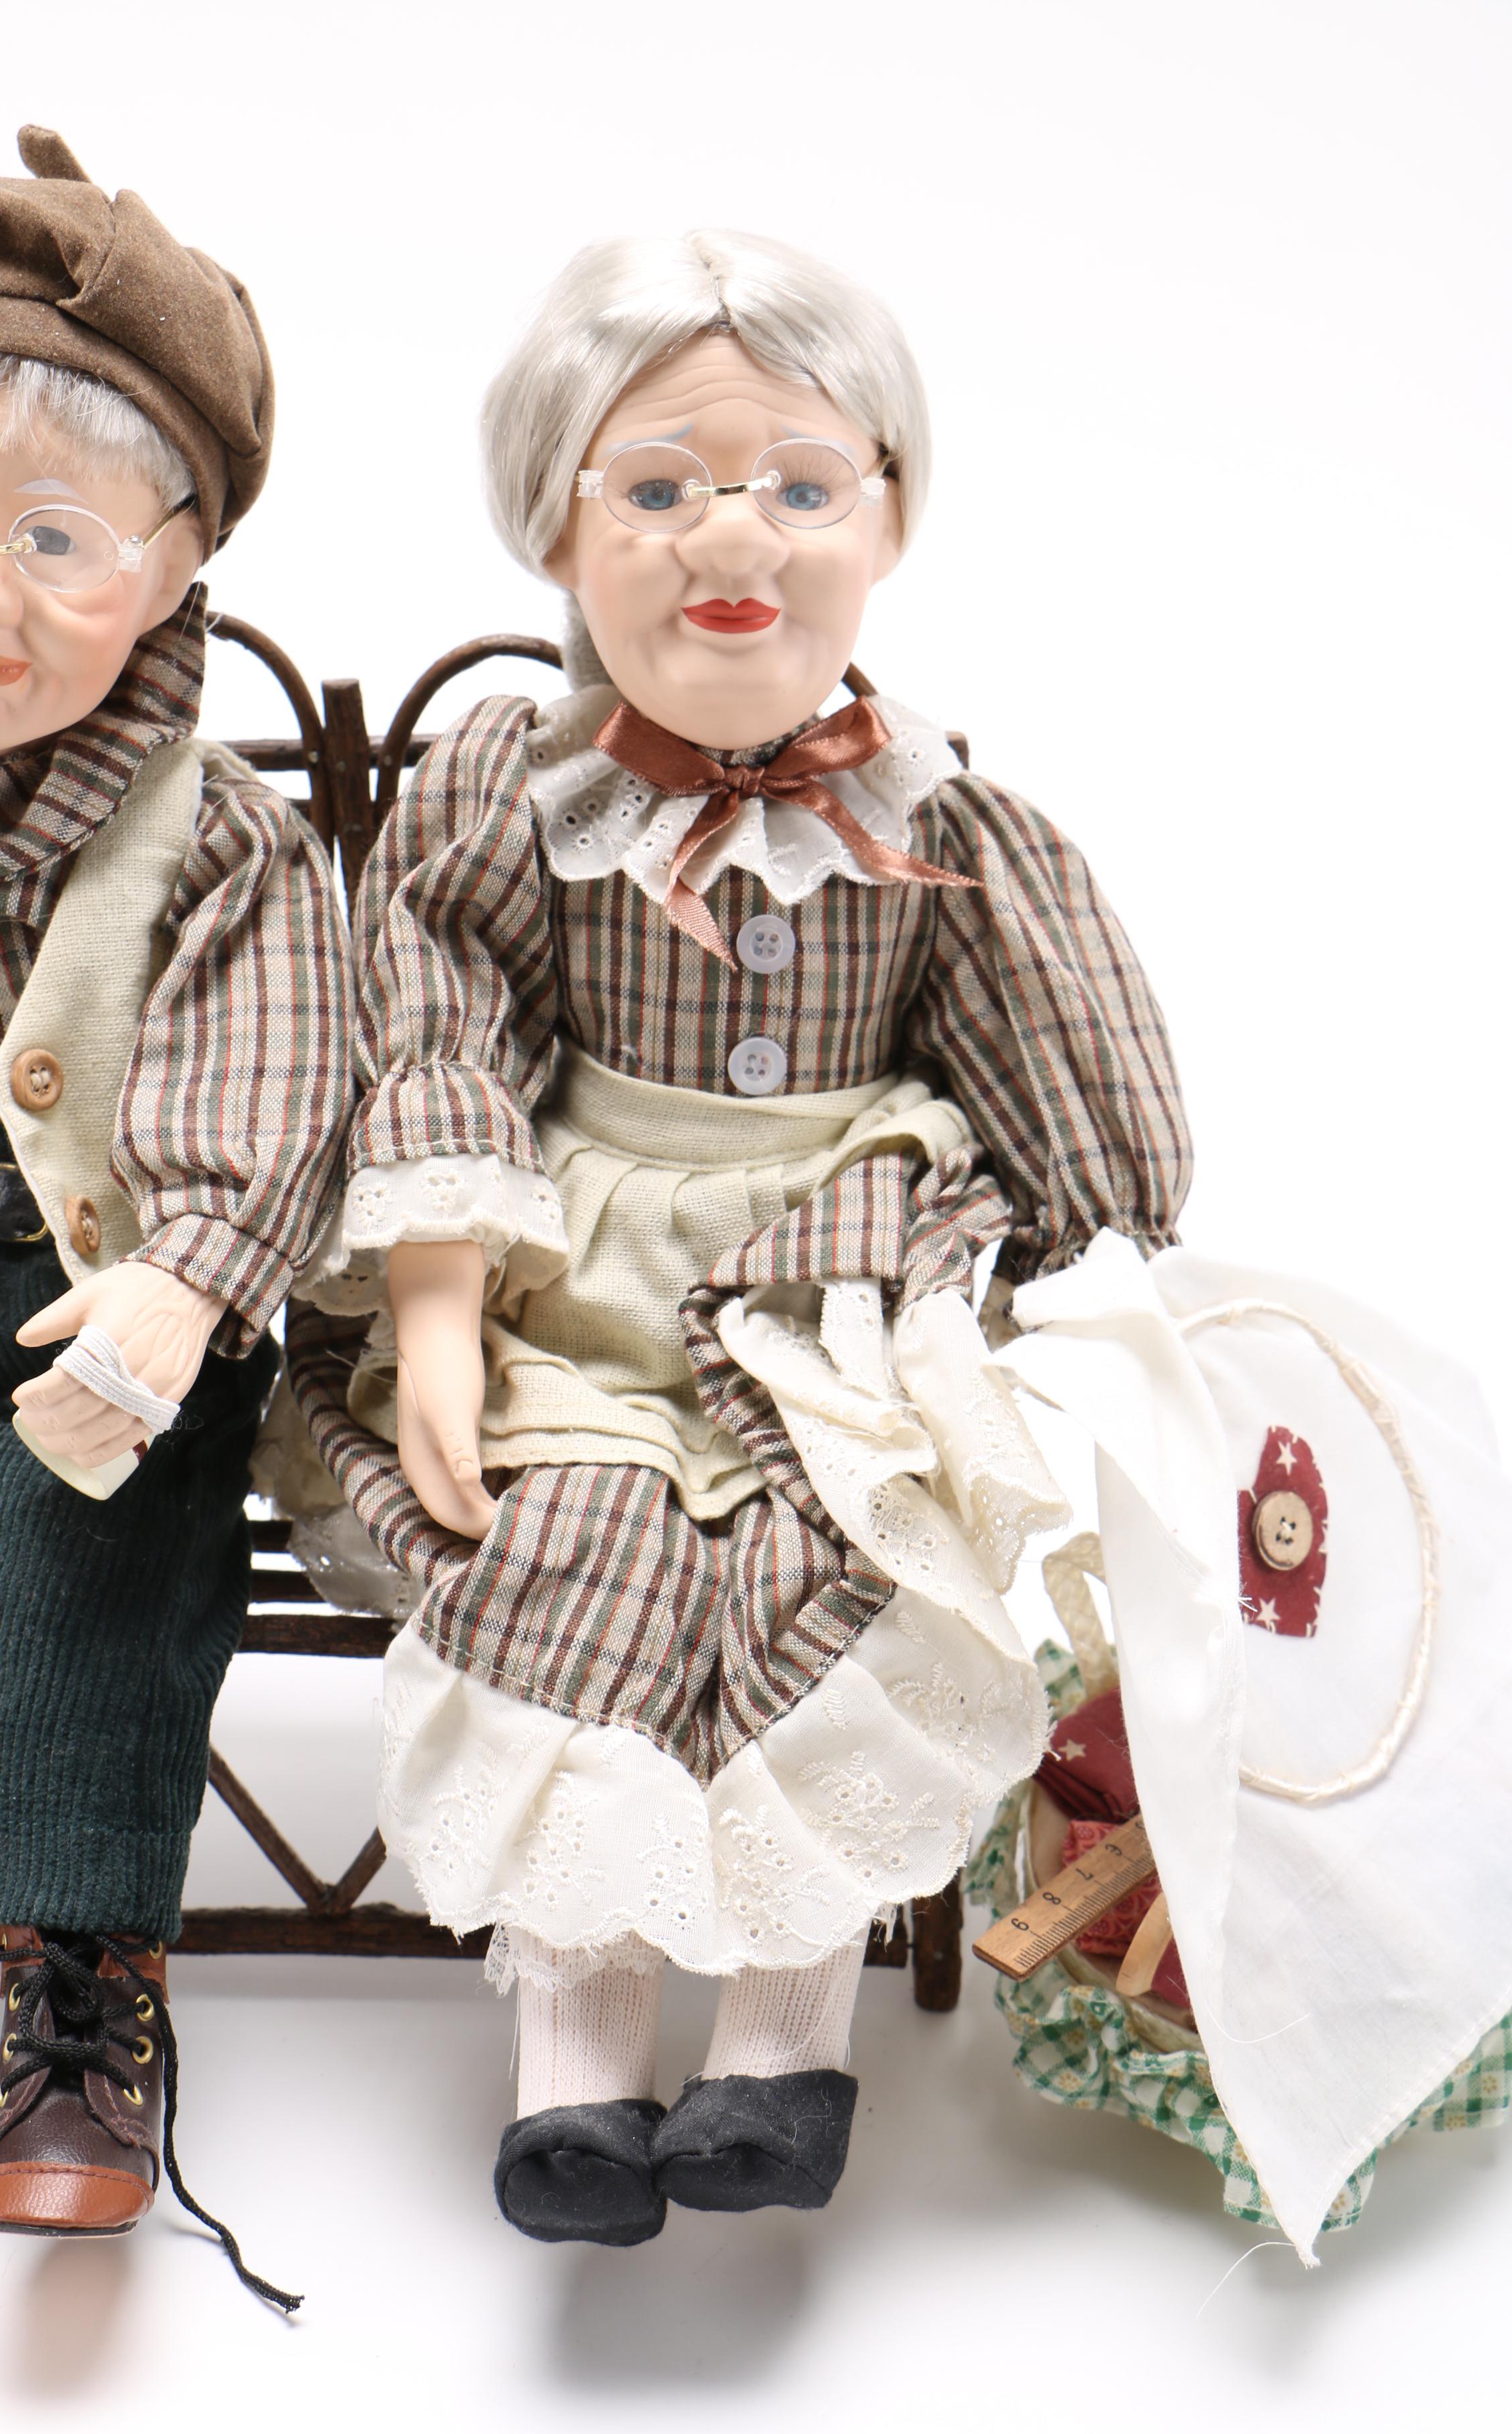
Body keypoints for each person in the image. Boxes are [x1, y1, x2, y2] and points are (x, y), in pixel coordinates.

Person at [289, 230, 1190, 2245]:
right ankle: (579, 2081)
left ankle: (785, 2052)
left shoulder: (941, 821)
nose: (737, 539)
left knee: (833, 1567)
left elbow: (1084, 1110)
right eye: (662, 485)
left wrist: (1087, 1274)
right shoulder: (514, 803)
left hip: (837, 1283)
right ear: (558, 529)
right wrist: (437, 1304)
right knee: (569, 1552)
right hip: (579, 1261)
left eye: (802, 484)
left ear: (886, 518)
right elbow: (434, 1021)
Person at [0, 129, 348, 2304]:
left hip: (107, 1283)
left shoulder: (223, 840)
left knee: (95, 1577)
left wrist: (193, 1275)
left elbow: (283, 1067)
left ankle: (83, 2015)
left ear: (179, 566)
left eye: (49, 540)